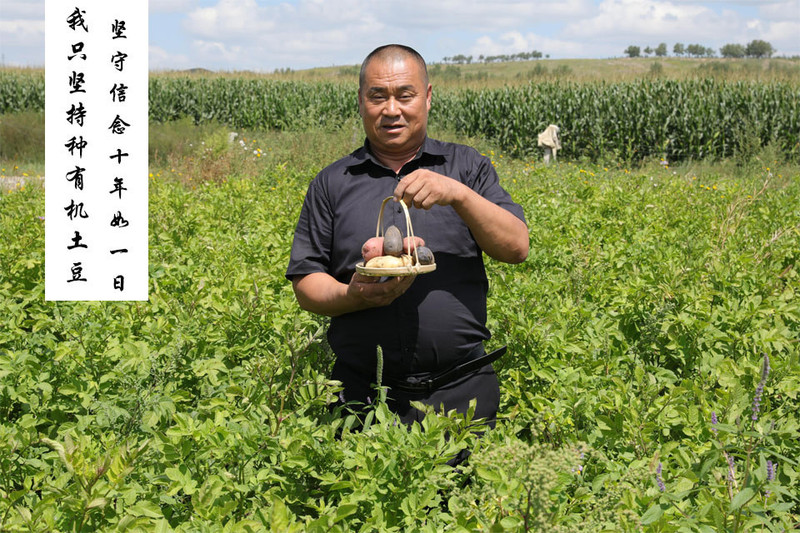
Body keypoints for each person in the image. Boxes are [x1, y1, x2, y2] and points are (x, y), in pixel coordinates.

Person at [286, 44, 528, 429]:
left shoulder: (467, 167)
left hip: (462, 393)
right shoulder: (333, 182)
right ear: (361, 101)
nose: (391, 109)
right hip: (362, 399)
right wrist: (353, 295)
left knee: (471, 490)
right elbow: (305, 283)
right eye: (377, 96)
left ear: (428, 97)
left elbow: (516, 247)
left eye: (405, 95)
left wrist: (460, 195)